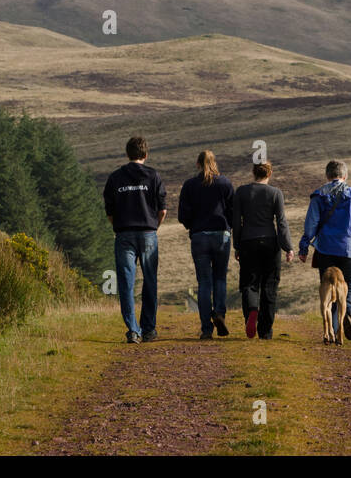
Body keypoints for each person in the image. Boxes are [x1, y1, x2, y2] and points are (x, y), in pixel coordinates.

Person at [299, 160, 351, 342]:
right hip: (349, 250)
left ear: (327, 176)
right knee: (350, 286)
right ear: (345, 176)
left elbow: (310, 224)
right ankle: (348, 314)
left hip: (325, 249)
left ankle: (332, 330)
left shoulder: (318, 196)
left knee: (328, 290)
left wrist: (304, 247)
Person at [103, 135, 166, 344]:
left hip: (124, 235)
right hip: (148, 233)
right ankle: (148, 328)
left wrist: (120, 227)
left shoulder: (115, 178)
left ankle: (133, 330)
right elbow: (163, 209)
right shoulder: (153, 176)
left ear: (127, 154)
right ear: (146, 155)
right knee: (150, 282)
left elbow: (109, 211)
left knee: (126, 283)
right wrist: (153, 226)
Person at [232, 161, 293, 340]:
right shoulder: (275, 193)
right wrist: (288, 247)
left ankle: (252, 310)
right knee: (269, 285)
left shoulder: (241, 192)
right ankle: (265, 331)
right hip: (270, 242)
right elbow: (281, 222)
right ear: (270, 174)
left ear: (253, 172)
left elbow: (236, 222)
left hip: (248, 243)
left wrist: (237, 245)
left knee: (249, 283)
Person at [179, 150, 235, 339]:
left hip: (199, 236)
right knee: (220, 278)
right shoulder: (225, 183)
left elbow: (183, 215)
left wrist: (192, 226)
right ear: (214, 163)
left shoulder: (189, 185)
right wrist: (229, 227)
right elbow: (233, 212)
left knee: (204, 282)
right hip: (221, 235)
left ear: (197, 164)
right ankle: (219, 313)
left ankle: (206, 328)